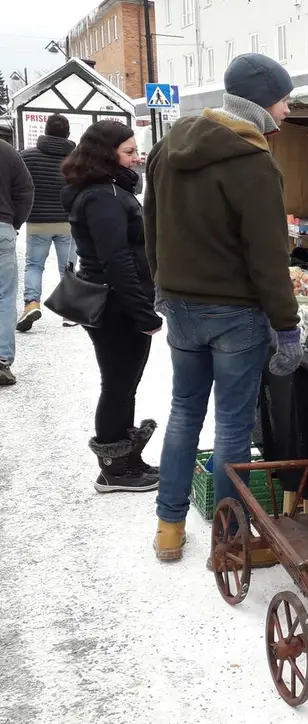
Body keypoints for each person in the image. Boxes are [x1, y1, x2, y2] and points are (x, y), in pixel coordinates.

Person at [145, 53, 301, 562]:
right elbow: (269, 257)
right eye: (283, 98)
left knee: (184, 412)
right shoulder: (252, 161)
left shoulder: (167, 147)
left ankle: (169, 528)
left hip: (183, 308)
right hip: (235, 314)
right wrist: (288, 325)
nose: (287, 107)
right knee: (232, 426)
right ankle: (231, 543)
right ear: (260, 101)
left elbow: (151, 227)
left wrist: (160, 285)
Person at [62, 121, 161, 492]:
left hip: (114, 302)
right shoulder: (103, 196)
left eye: (136, 151)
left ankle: (124, 459)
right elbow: (116, 260)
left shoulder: (102, 190)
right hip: (116, 306)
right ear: (107, 155)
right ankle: (114, 468)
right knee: (119, 384)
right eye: (129, 152)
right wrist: (142, 312)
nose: (137, 158)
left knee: (123, 384)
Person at [18, 113, 77, 332]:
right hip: (68, 222)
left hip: (38, 221)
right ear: (68, 133)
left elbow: (22, 186)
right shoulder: (76, 158)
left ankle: (31, 304)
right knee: (68, 268)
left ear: (45, 130)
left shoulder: (27, 157)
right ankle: (69, 312)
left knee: (34, 265)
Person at [0, 138, 35, 386]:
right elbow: (25, 190)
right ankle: (1, 360)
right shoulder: (7, 151)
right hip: (1, 226)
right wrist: (13, 224)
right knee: (3, 296)